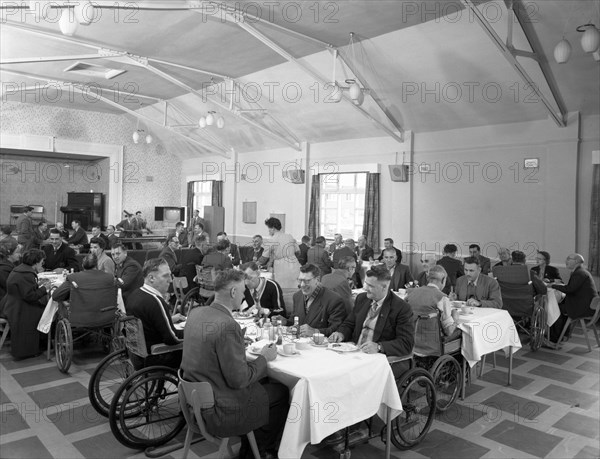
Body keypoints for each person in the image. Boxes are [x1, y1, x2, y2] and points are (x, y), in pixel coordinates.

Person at [180, 269, 289, 459]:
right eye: (242, 290)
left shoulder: (196, 313)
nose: (244, 295)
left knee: (262, 386)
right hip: (219, 410)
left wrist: (238, 342)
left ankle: (254, 442)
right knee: (281, 392)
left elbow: (211, 347)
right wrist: (264, 357)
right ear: (232, 293)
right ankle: (258, 451)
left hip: (194, 400)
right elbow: (239, 380)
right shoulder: (228, 325)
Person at [329, 264, 415, 378]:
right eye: (366, 283)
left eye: (370, 286)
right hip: (356, 354)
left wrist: (379, 347)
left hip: (381, 360)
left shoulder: (401, 308)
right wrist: (341, 333)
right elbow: (349, 323)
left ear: (384, 287)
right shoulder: (362, 299)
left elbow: (406, 343)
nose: (365, 288)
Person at [126, 258, 185, 370]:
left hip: (136, 354)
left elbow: (147, 322)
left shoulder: (135, 294)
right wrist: (193, 330)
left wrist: (169, 319)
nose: (170, 280)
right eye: (165, 276)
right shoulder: (155, 301)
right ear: (151, 278)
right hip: (157, 356)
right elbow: (172, 339)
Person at [2, 249, 50, 360]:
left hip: (13, 304)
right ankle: (34, 348)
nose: (42, 263)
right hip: (20, 308)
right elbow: (30, 296)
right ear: (36, 262)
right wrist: (44, 288)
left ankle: (40, 344)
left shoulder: (20, 269)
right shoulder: (26, 274)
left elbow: (25, 290)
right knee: (46, 312)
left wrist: (37, 285)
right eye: (42, 261)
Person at [405, 265, 460, 355]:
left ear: (427, 278)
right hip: (433, 346)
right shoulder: (442, 298)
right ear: (443, 280)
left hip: (411, 344)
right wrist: (456, 319)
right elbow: (449, 331)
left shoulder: (411, 293)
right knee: (462, 333)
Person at [549, 254, 599, 344]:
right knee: (560, 304)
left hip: (583, 308)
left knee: (554, 308)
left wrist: (552, 285)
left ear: (576, 261)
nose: (566, 261)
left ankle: (554, 338)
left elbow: (570, 289)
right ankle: (564, 335)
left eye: (568, 259)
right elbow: (572, 288)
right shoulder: (581, 271)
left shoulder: (579, 273)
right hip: (587, 305)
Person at [286, 264, 346, 337]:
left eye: (306, 281)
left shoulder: (334, 300)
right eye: (300, 280)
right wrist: (285, 321)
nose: (302, 285)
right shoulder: (297, 296)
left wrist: (315, 332)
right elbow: (294, 321)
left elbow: (336, 330)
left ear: (317, 280)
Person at [52, 253, 117, 304]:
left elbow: (56, 296)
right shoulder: (109, 278)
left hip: (79, 318)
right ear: (97, 265)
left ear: (82, 265)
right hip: (106, 317)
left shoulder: (73, 278)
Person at [264, 217, 301, 289]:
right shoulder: (289, 236)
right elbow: (298, 252)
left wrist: (255, 264)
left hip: (282, 267)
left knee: (282, 289)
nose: (268, 231)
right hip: (294, 265)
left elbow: (264, 257)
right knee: (294, 288)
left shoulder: (272, 239)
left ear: (273, 228)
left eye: (269, 229)